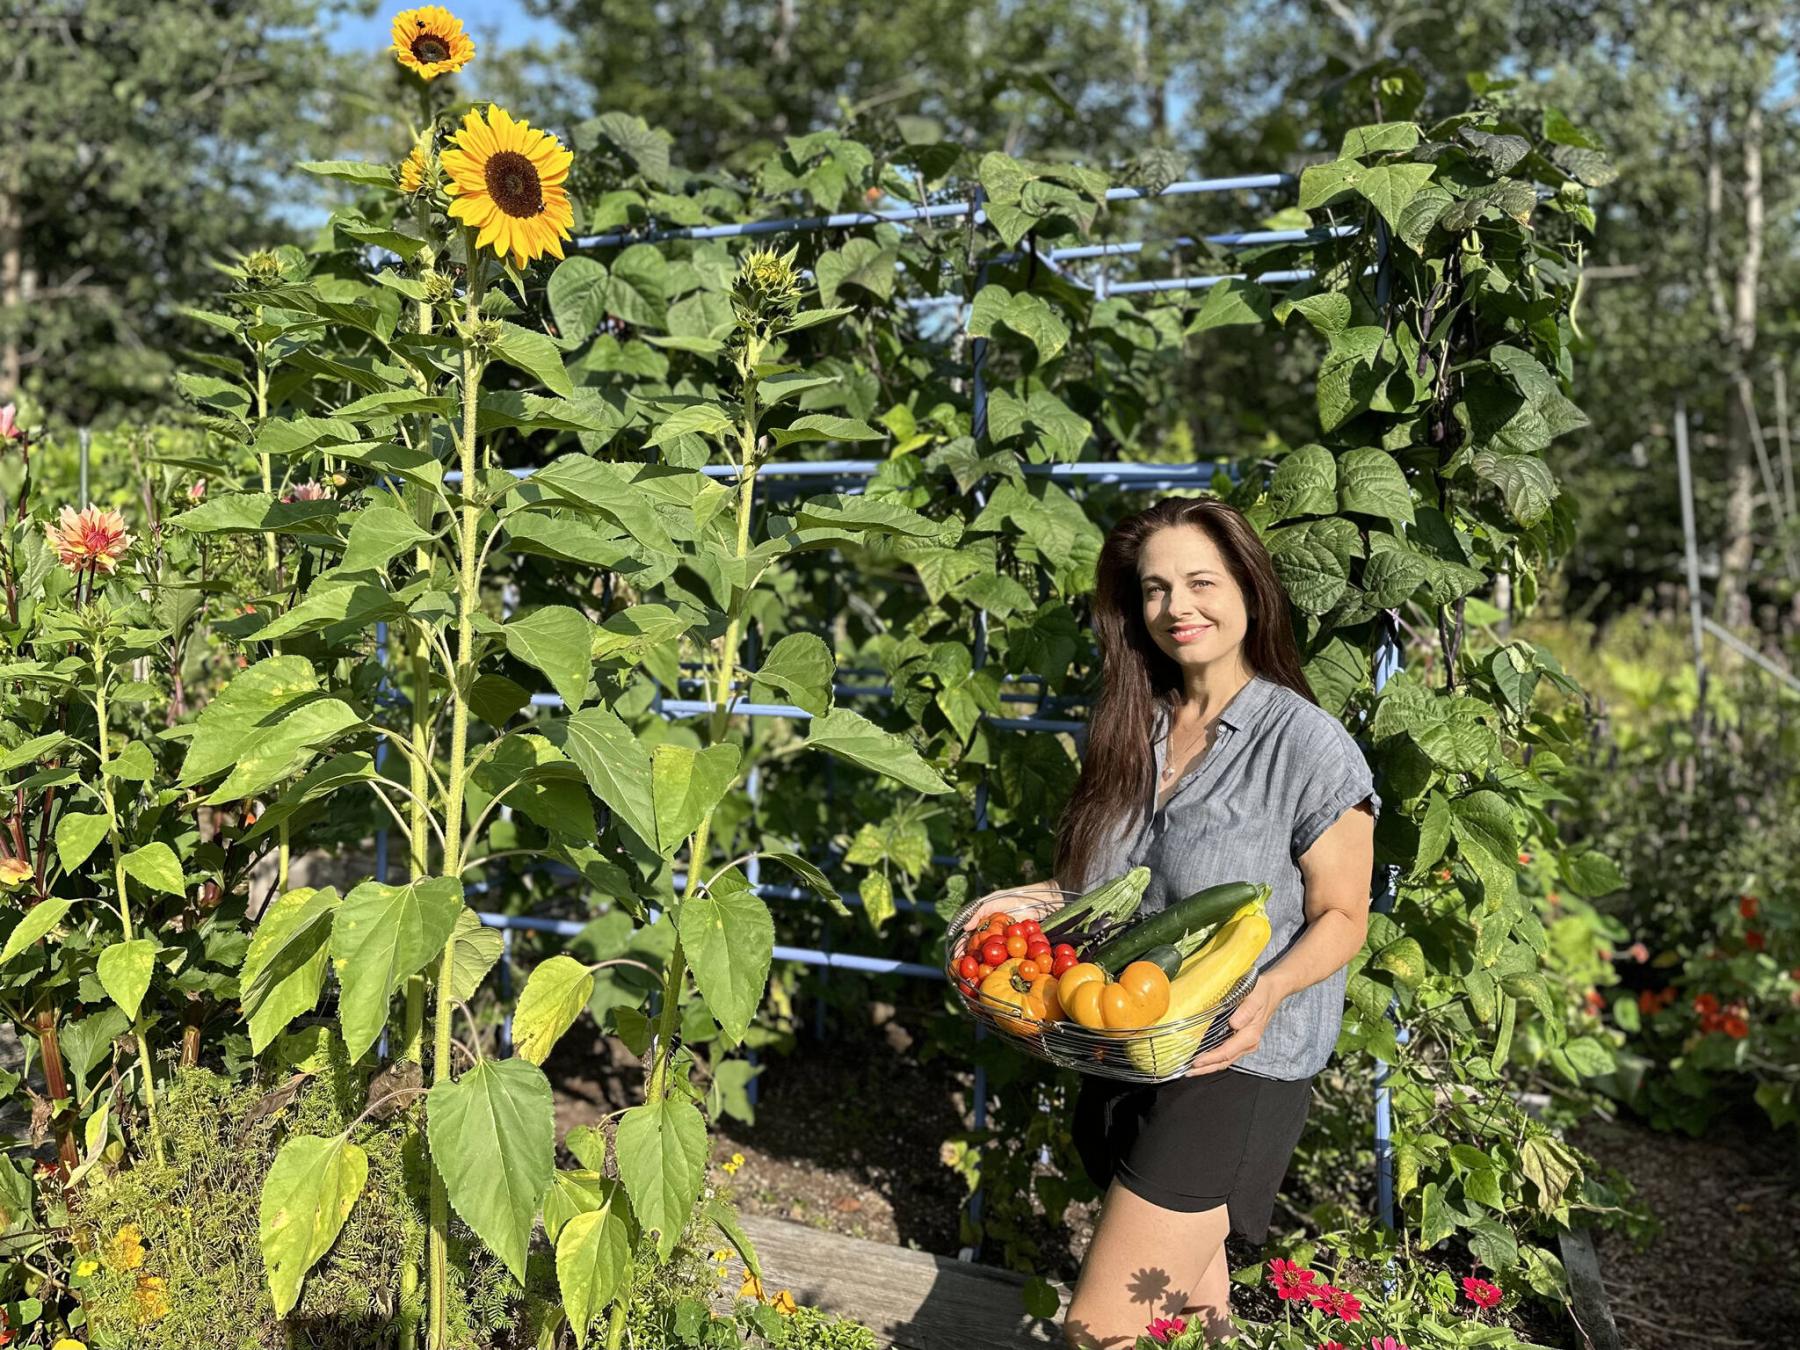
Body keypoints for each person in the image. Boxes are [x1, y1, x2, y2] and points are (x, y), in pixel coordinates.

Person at [968, 496, 1378, 1348]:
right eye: (1155, 590)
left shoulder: (1308, 745)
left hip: (1234, 1063)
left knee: (1098, 1332)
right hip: (1123, 1044)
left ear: (1250, 591)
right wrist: (1020, 908)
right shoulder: (1132, 725)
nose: (1177, 608)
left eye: (1200, 582)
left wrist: (1270, 989)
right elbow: (1105, 891)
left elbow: (1344, 914)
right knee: (1195, 1319)